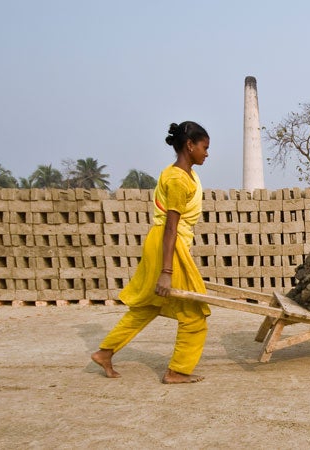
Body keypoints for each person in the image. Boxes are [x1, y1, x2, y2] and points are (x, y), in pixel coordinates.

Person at [91, 121, 211, 384]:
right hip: (170, 244)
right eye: (204, 147)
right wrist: (167, 272)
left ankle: (105, 351)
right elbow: (171, 226)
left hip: (161, 242)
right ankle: (177, 371)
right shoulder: (179, 178)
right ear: (190, 146)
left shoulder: (179, 172)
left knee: (148, 305)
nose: (207, 153)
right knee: (194, 313)